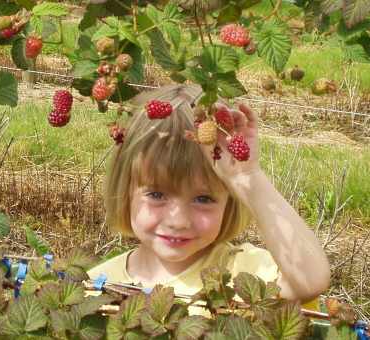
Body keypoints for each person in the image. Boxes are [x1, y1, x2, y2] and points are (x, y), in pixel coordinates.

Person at [87, 84, 330, 313]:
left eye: (203, 199)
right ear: (125, 191)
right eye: (156, 194)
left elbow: (310, 281)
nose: (178, 221)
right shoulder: (98, 286)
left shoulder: (242, 273)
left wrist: (248, 176)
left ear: (230, 200)